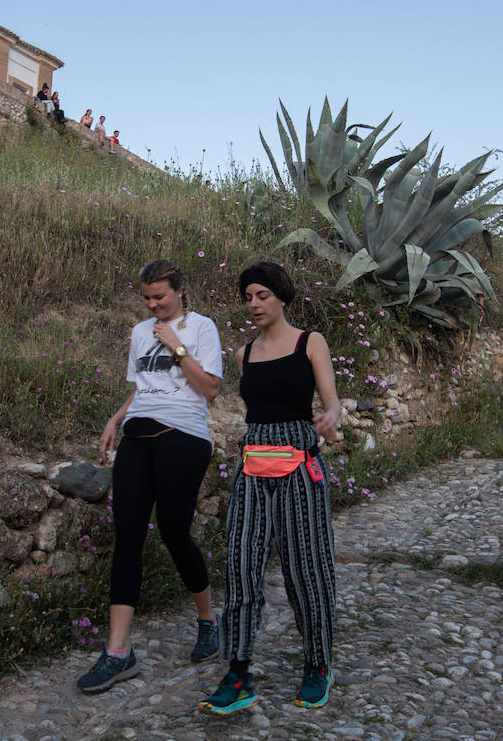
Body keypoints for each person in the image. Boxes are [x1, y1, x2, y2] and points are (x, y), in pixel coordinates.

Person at [76, 260, 224, 694]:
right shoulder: (141, 332)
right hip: (138, 432)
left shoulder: (201, 327)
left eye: (160, 296)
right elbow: (143, 385)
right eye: (146, 298)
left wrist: (177, 345)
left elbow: (210, 389)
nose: (153, 304)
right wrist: (115, 418)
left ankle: (208, 620)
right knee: (128, 533)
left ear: (180, 290)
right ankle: (119, 652)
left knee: (174, 531)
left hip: (184, 433)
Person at [200, 261, 340, 715]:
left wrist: (330, 420)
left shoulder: (309, 342)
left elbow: (331, 404)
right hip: (252, 471)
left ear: (281, 296)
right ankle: (238, 673)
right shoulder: (244, 354)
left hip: (300, 470)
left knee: (307, 569)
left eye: (261, 295)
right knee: (241, 569)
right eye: (248, 297)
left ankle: (318, 664)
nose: (254, 304)